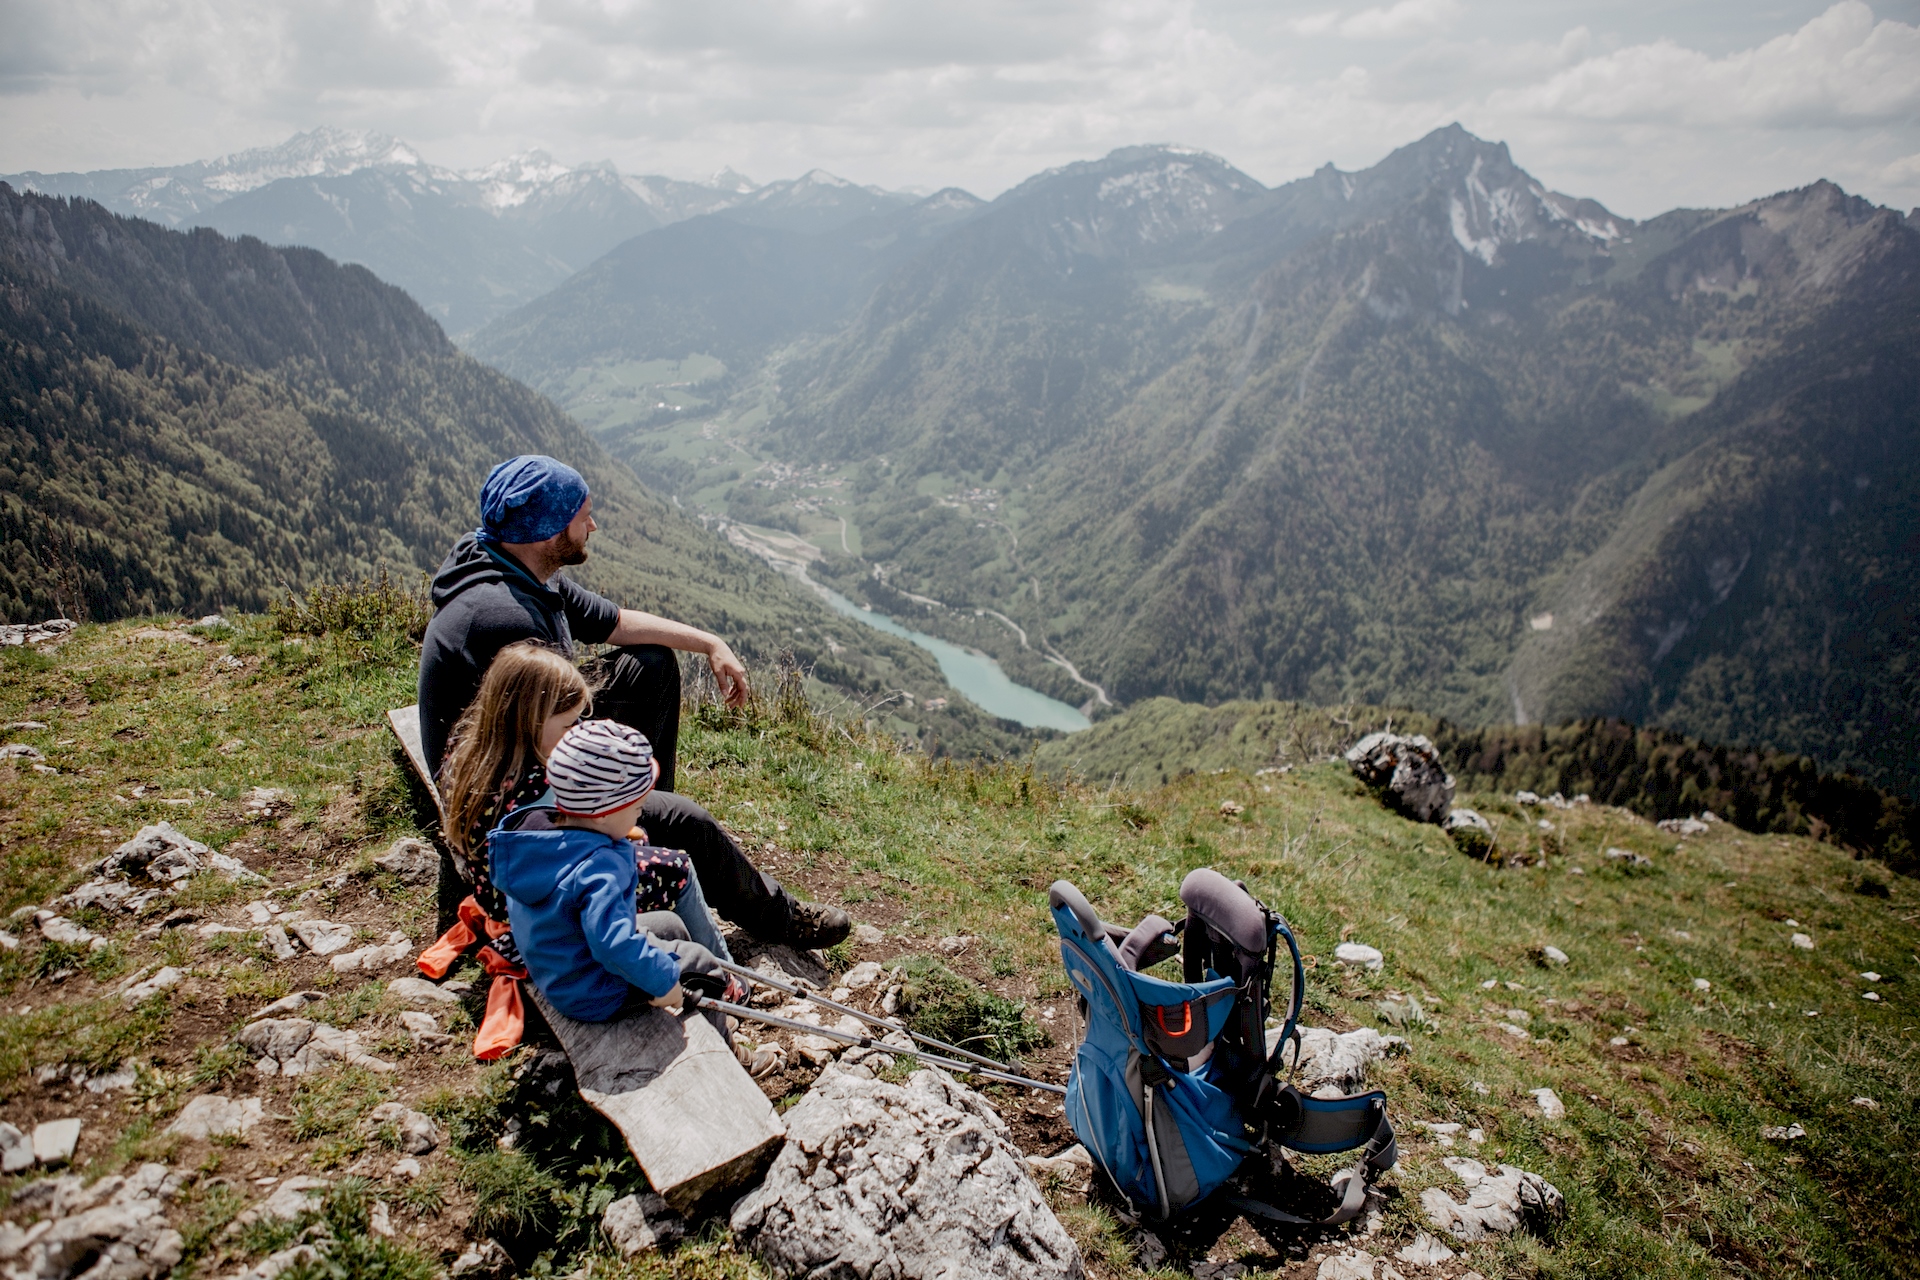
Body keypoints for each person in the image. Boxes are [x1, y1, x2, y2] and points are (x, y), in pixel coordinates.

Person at [419, 456, 849, 948]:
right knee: (690, 822)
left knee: (652, 664)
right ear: (545, 531)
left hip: (509, 747)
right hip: (506, 799)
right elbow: (546, 750)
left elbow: (615, 621)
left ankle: (639, 813)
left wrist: (710, 643)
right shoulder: (505, 619)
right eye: (583, 517)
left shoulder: (518, 567)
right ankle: (782, 919)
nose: (593, 525)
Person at [487, 719, 728, 1022]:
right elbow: (612, 944)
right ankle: (728, 1041)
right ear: (601, 815)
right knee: (701, 964)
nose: (639, 814)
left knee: (669, 923)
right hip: (594, 990)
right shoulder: (601, 867)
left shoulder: (534, 833)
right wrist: (664, 983)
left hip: (558, 965)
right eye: (634, 808)